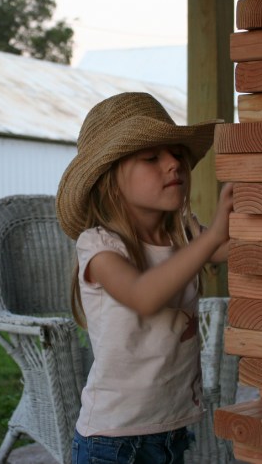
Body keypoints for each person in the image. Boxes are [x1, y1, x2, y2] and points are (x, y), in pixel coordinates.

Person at [56, 92, 234, 464]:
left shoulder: (183, 235)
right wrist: (214, 236)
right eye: (152, 158)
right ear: (111, 180)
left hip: (170, 432)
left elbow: (234, 249)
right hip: (112, 443)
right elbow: (142, 295)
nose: (173, 164)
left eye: (176, 154)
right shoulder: (100, 246)